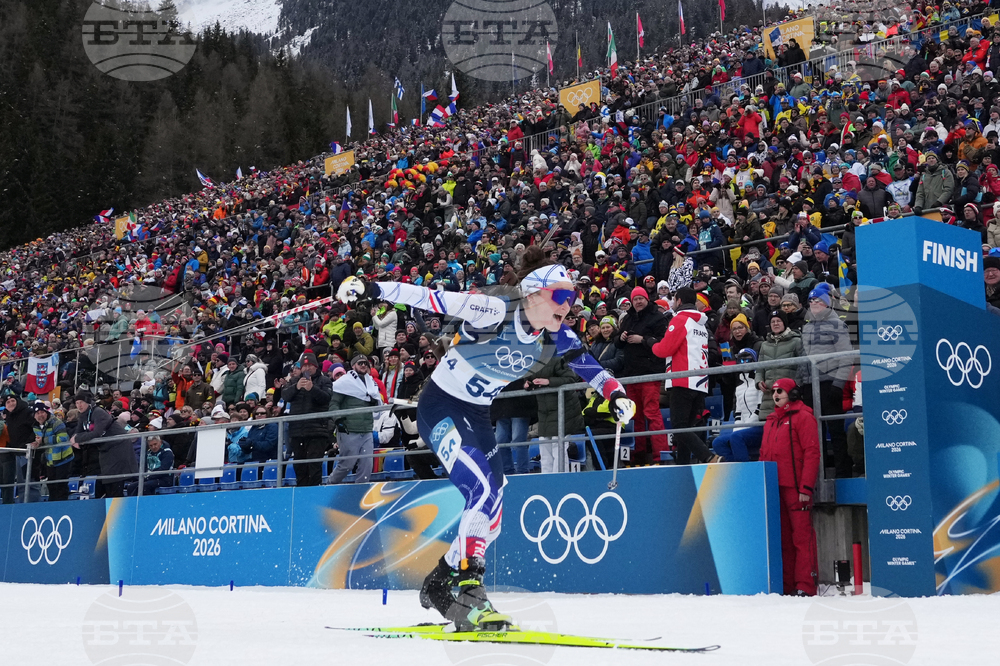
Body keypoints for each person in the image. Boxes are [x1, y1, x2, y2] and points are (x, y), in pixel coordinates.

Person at [335, 245, 635, 631]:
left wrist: (617, 394)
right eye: (562, 295)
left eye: (573, 297)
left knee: (492, 514)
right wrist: (370, 288)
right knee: (482, 493)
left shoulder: (554, 334)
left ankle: (440, 583)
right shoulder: (497, 310)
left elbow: (586, 364)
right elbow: (429, 297)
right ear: (534, 294)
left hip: (476, 415)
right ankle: (470, 588)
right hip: (440, 407)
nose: (570, 303)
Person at [759, 378, 820, 597]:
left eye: (780, 391)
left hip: (795, 488)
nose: (775, 395)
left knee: (802, 539)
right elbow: (763, 454)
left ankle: (805, 585)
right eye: (773, 391)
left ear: (793, 394)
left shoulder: (804, 417)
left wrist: (806, 487)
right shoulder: (771, 420)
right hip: (775, 488)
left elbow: (812, 453)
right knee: (782, 539)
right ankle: (786, 585)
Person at [651, 287, 721, 464]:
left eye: (674, 300)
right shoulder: (700, 323)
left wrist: (651, 344)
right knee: (688, 427)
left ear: (679, 300)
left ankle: (708, 456)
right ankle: (682, 464)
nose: (673, 303)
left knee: (680, 427)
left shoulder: (680, 320)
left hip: (681, 379)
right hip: (700, 381)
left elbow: (665, 349)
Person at [799, 287, 854, 478]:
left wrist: (838, 384)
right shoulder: (807, 326)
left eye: (818, 301)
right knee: (813, 435)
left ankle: (842, 475)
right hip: (809, 385)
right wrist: (801, 383)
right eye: (811, 301)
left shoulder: (836, 324)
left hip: (829, 384)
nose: (814, 304)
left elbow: (846, 357)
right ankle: (818, 475)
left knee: (835, 431)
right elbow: (803, 357)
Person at [614, 285, 668, 464]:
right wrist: (621, 338)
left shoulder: (657, 317)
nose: (638, 301)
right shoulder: (627, 318)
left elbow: (663, 342)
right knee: (634, 415)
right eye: (635, 299)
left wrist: (642, 340)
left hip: (650, 373)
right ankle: (639, 453)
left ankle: (661, 454)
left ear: (647, 299)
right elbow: (617, 343)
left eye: (640, 298)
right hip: (632, 374)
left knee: (652, 413)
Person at [70, 390, 139, 498]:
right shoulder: (83, 415)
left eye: (81, 402)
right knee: (108, 485)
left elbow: (97, 432)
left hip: (118, 448)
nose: (79, 405)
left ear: (88, 402)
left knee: (115, 485)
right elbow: (76, 433)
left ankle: (118, 513)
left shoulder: (98, 412)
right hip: (106, 451)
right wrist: (76, 438)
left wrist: (77, 439)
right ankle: (111, 511)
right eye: (77, 403)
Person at [327, 354, 381, 484]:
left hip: (366, 428)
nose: (363, 365)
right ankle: (329, 485)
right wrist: (338, 420)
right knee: (347, 465)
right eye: (360, 363)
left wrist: (374, 403)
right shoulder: (344, 382)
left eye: (365, 363)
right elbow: (334, 403)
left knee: (367, 465)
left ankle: (361, 493)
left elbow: (376, 404)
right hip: (348, 429)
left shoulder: (371, 383)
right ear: (353, 366)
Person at [281, 352, 333, 486]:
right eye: (304, 366)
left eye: (310, 365)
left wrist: (312, 389)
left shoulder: (325, 380)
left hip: (317, 431)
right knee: (299, 466)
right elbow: (285, 395)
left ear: (316, 366)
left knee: (314, 465)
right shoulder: (293, 381)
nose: (307, 368)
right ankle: (301, 495)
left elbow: (326, 398)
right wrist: (297, 387)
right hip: (297, 431)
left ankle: (314, 494)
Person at [711, 348, 764, 462]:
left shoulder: (759, 383)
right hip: (744, 429)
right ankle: (734, 467)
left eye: (748, 360)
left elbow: (760, 408)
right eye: (741, 361)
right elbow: (738, 413)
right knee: (718, 442)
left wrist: (745, 427)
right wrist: (739, 428)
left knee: (736, 437)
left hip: (759, 427)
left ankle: (744, 470)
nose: (744, 364)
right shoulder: (738, 387)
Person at [31, 402, 74, 501]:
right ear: (34, 416)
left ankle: (62, 509)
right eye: (37, 413)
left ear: (46, 412)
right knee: (51, 486)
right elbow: (41, 441)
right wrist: (38, 444)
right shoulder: (35, 427)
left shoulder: (57, 422)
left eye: (42, 412)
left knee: (61, 486)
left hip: (64, 459)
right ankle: (53, 509)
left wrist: (44, 440)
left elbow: (63, 438)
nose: (40, 415)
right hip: (50, 460)